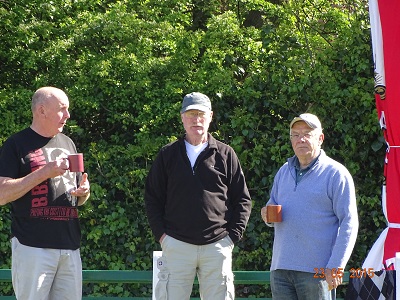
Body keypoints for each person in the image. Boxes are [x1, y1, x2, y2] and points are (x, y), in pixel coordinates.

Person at [145, 92, 252, 300]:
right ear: (182, 117)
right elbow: (152, 198)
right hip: (176, 245)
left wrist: (231, 238)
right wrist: (163, 237)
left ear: (210, 116)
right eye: (191, 114)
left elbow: (242, 199)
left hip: (217, 247)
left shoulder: (225, 154)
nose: (196, 120)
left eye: (201, 114)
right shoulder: (168, 155)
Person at [0, 87, 90, 300]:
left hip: (69, 246)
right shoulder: (16, 145)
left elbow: (78, 195)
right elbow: (2, 194)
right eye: (62, 109)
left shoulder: (68, 143)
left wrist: (84, 192)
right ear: (41, 111)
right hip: (32, 246)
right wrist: (44, 172)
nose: (67, 115)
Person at [261, 113, 358, 300]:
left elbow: (349, 223)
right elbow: (272, 204)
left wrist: (336, 266)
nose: (301, 139)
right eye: (295, 135)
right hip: (280, 269)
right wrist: (267, 214)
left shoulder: (336, 174)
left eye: (307, 133)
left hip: (318, 273)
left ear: (320, 138)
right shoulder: (283, 171)